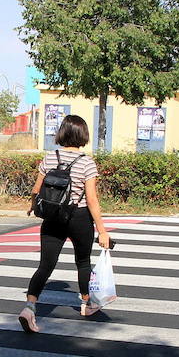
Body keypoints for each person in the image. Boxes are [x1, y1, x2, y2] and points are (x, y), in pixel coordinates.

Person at [19, 114, 112, 333]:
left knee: (45, 265)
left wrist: (34, 206)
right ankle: (88, 304)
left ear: (62, 132)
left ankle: (29, 307)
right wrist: (102, 230)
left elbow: (36, 189)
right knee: (82, 262)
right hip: (78, 217)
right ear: (83, 135)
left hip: (52, 216)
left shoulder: (50, 158)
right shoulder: (87, 162)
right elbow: (91, 199)